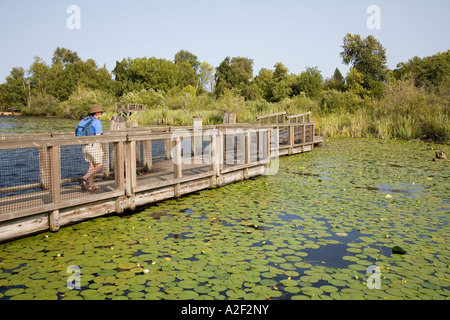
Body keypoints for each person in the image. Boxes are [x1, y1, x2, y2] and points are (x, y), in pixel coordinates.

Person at [78, 105, 104, 192]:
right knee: (100, 165)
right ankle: (84, 178)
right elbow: (98, 136)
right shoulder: (97, 122)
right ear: (96, 113)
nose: (101, 113)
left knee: (91, 166)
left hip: (84, 146)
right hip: (93, 145)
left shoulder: (84, 120)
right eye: (100, 112)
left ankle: (91, 185)